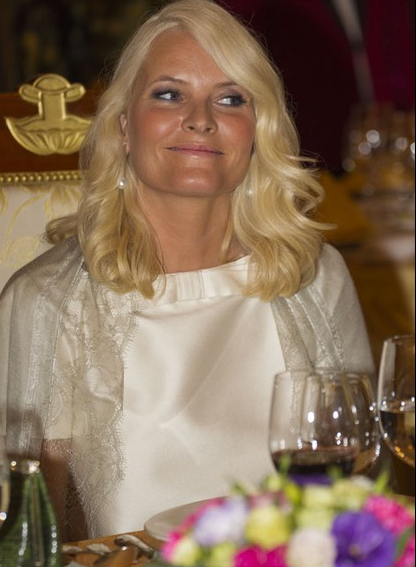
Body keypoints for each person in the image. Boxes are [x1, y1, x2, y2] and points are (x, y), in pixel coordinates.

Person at [0, 0, 374, 540]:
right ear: (124, 127)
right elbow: (31, 537)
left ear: (258, 130)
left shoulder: (314, 276)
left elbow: (361, 495)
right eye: (169, 94)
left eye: (230, 98)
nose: (201, 119)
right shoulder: (48, 302)